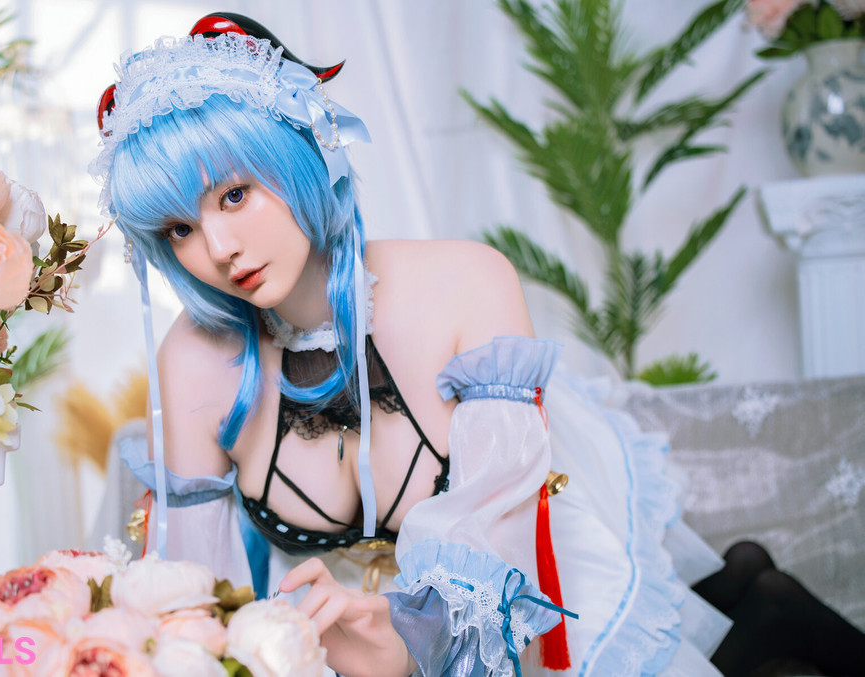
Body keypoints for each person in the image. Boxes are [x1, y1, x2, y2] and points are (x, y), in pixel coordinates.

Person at [90, 13, 865, 677]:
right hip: (355, 640)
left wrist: (410, 636)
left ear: (301, 156)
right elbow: (192, 595)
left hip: (518, 590)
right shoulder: (193, 361)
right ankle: (751, 585)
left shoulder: (462, 282)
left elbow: (504, 530)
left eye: (234, 194)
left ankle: (765, 601)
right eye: (180, 228)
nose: (218, 248)